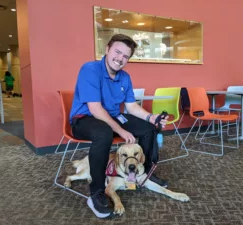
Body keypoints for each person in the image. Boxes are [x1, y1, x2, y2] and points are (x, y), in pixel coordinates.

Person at [70, 34, 169, 218]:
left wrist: (151, 117)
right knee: (105, 132)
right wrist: (121, 130)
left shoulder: (125, 77)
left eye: (125, 56)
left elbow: (131, 106)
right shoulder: (90, 70)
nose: (120, 58)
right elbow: (96, 109)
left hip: (113, 117)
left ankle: (145, 172)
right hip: (84, 118)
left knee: (148, 128)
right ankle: (97, 193)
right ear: (107, 49)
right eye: (117, 52)